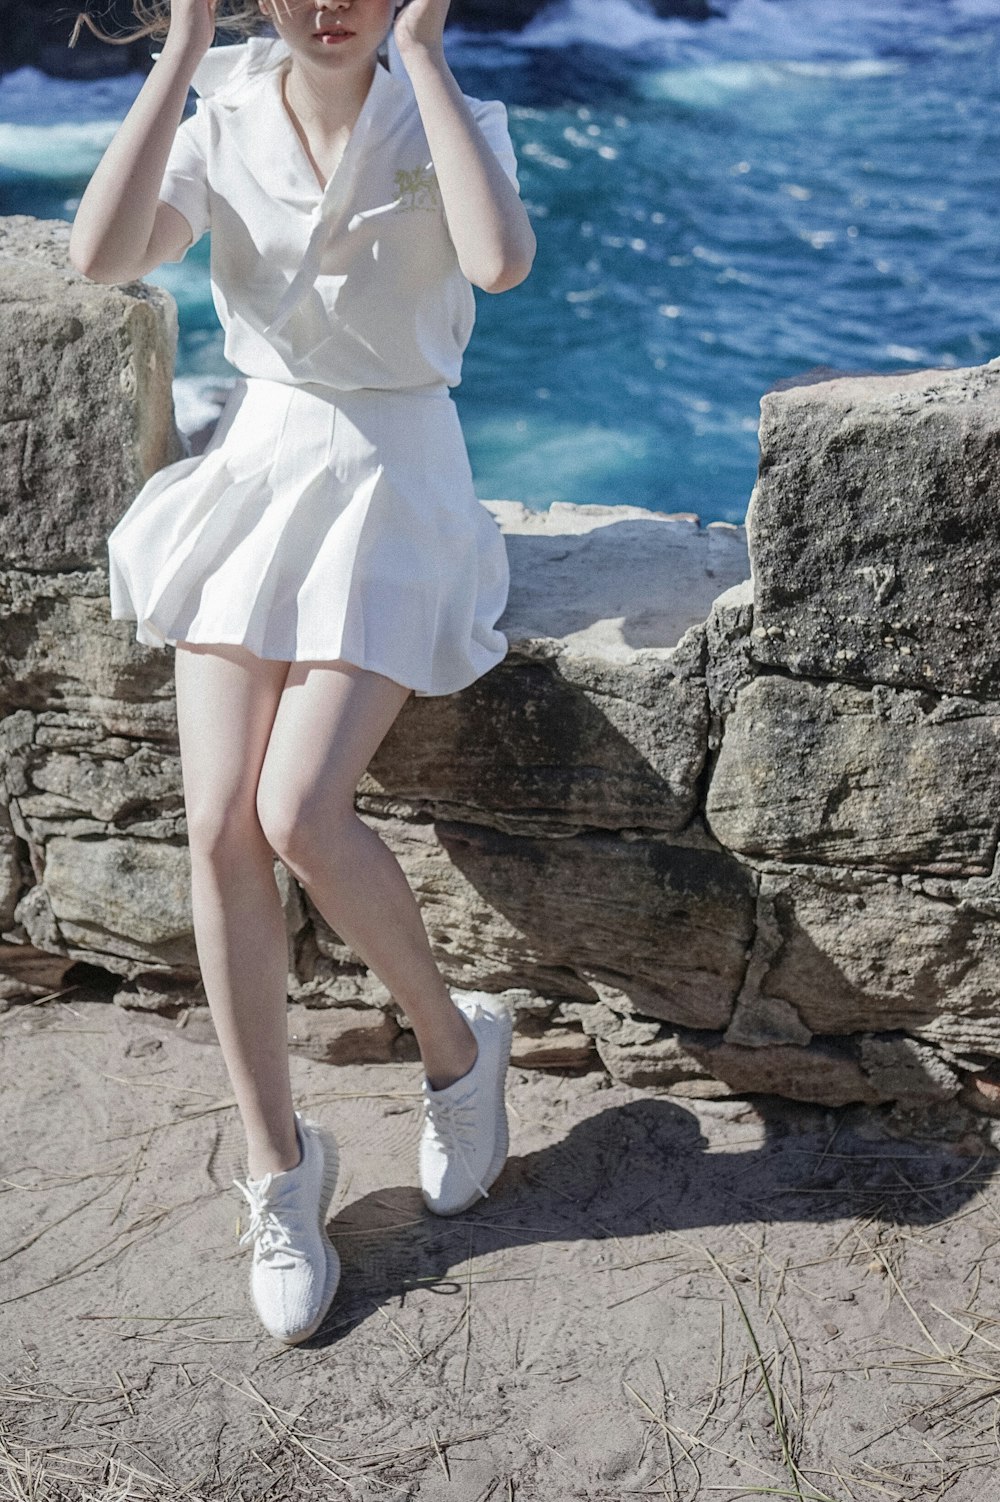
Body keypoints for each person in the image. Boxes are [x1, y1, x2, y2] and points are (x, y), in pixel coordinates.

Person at [67, 0, 536, 1346]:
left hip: (396, 481)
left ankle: (457, 1052)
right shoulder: (219, 107)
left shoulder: (445, 111)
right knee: (219, 822)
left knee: (298, 811)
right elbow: (103, 255)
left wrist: (433, 58)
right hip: (261, 474)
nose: (332, 4)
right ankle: (278, 1166)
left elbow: (499, 263)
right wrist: (175, 49)